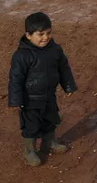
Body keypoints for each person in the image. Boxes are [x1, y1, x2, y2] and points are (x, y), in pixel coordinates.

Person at [8, 11, 78, 167]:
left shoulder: (55, 50)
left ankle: (50, 143)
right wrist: (16, 100)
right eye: (40, 34)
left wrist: (68, 85)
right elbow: (16, 79)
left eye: (48, 33)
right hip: (30, 100)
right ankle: (29, 151)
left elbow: (63, 69)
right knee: (31, 127)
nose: (45, 37)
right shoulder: (21, 56)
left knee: (51, 121)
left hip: (49, 96)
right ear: (28, 35)